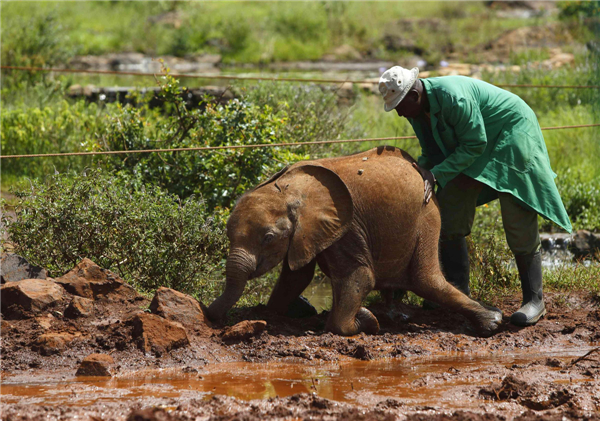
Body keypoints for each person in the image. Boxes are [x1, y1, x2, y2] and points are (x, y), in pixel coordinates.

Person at [378, 66, 572, 326]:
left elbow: (475, 144)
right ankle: (458, 293)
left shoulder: (453, 97)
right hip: (474, 144)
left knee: (517, 212)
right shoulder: (416, 111)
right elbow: (432, 153)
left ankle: (534, 300)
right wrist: (422, 177)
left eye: (400, 105)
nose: (399, 112)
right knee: (448, 207)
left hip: (511, 133)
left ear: (414, 94)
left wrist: (435, 175)